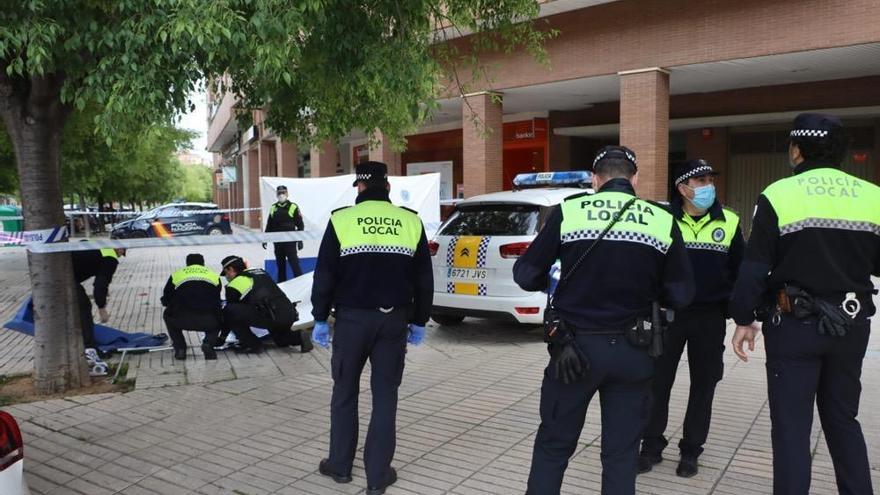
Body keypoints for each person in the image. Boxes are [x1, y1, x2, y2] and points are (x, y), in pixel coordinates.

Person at [513, 146, 694, 495]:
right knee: (621, 455)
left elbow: (526, 275)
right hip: (634, 352)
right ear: (634, 178)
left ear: (596, 180)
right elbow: (682, 294)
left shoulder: (569, 211)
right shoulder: (661, 219)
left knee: (553, 448)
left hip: (573, 353)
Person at [729, 113, 879, 495]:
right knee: (844, 420)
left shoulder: (779, 194)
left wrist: (744, 317)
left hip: (794, 326)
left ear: (796, 150)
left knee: (793, 428)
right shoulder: (873, 196)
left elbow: (754, 267)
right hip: (851, 324)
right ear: (843, 152)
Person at [311, 161, 433, 495]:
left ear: (360, 188)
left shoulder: (342, 220)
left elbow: (325, 275)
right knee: (385, 398)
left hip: (351, 321)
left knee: (345, 392)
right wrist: (420, 320)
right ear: (388, 187)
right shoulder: (410, 220)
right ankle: (377, 477)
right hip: (394, 320)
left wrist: (320, 317)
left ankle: (340, 467)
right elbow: (424, 277)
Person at [638, 159, 744, 477]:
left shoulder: (730, 221)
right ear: (682, 188)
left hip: (710, 317)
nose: (708, 185)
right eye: (701, 180)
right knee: (657, 383)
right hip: (668, 317)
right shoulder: (662, 220)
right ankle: (651, 446)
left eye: (711, 178)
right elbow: (648, 267)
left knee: (704, 385)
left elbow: (740, 271)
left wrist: (743, 316)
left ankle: (691, 450)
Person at [220, 255, 309, 354]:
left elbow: (231, 314)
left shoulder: (234, 285)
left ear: (231, 269)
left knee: (229, 310)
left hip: (271, 316)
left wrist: (222, 337)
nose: (227, 277)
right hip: (289, 313)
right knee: (281, 340)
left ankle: (252, 345)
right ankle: (299, 336)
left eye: (226, 273)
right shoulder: (260, 272)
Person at [160, 253, 223, 360]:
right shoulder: (214, 276)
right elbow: (216, 298)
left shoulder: (177, 275)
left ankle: (180, 348)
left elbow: (166, 298)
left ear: (187, 264)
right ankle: (208, 344)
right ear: (203, 263)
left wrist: (170, 305)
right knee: (219, 316)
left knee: (167, 314)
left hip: (181, 319)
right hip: (208, 320)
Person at [72, 247, 125, 350]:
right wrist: (101, 308)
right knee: (84, 307)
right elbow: (100, 285)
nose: (120, 255)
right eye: (122, 252)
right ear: (120, 249)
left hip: (61, 270)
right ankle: (89, 348)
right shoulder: (110, 259)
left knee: (77, 306)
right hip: (65, 277)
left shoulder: (99, 247)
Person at [264, 185, 304, 282]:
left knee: (294, 265)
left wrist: (300, 240)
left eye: (283, 192)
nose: (281, 195)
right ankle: (282, 287)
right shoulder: (273, 207)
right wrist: (264, 239)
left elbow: (300, 225)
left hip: (290, 242)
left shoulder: (293, 206)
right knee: (280, 266)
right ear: (276, 194)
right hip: (277, 242)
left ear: (287, 194)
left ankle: (300, 284)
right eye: (279, 193)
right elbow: (269, 225)